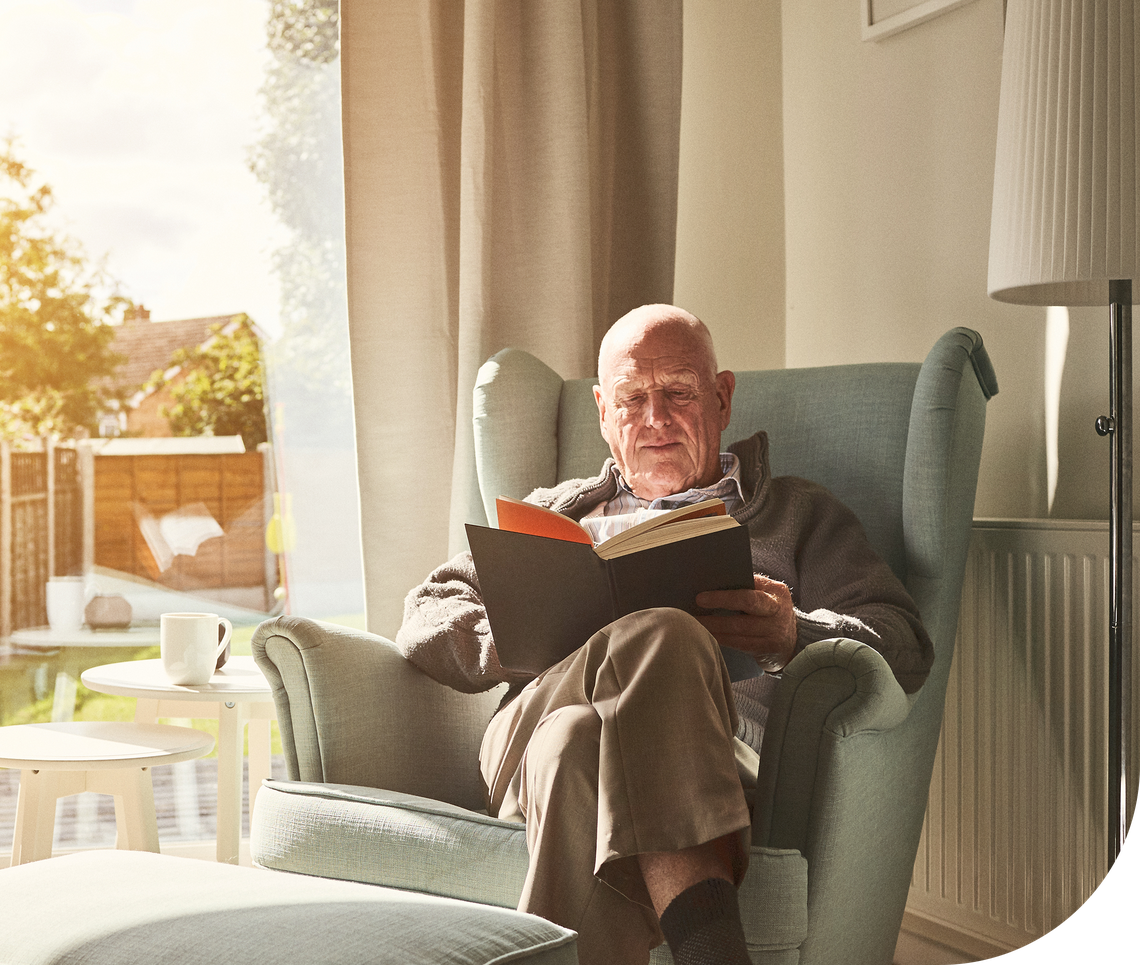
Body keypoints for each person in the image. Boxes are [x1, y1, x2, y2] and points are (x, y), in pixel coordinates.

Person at [397, 304, 934, 965]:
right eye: (632, 398)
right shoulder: (553, 511)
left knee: (580, 744)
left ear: (721, 395)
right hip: (526, 744)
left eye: (679, 391)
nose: (655, 418)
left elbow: (903, 642)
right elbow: (425, 608)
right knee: (651, 647)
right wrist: (517, 629)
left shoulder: (798, 513)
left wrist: (794, 631)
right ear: (602, 409)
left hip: (713, 763)